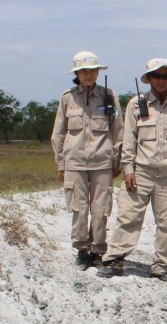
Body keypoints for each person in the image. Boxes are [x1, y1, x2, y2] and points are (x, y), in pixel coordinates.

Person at [97, 58, 167, 279]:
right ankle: (115, 259)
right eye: (157, 76)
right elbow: (129, 138)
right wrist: (128, 169)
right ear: (149, 78)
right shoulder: (135, 104)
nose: (161, 80)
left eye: (165, 76)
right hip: (141, 171)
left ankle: (162, 266)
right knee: (129, 217)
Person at [51, 51, 122, 269]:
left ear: (98, 72)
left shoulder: (109, 95)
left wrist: (116, 161)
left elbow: (118, 130)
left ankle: (98, 251)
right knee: (79, 209)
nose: (88, 74)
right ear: (77, 73)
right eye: (84, 71)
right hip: (74, 163)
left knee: (101, 210)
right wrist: (61, 164)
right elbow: (58, 134)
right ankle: (82, 250)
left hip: (102, 162)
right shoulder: (68, 98)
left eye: (92, 70)